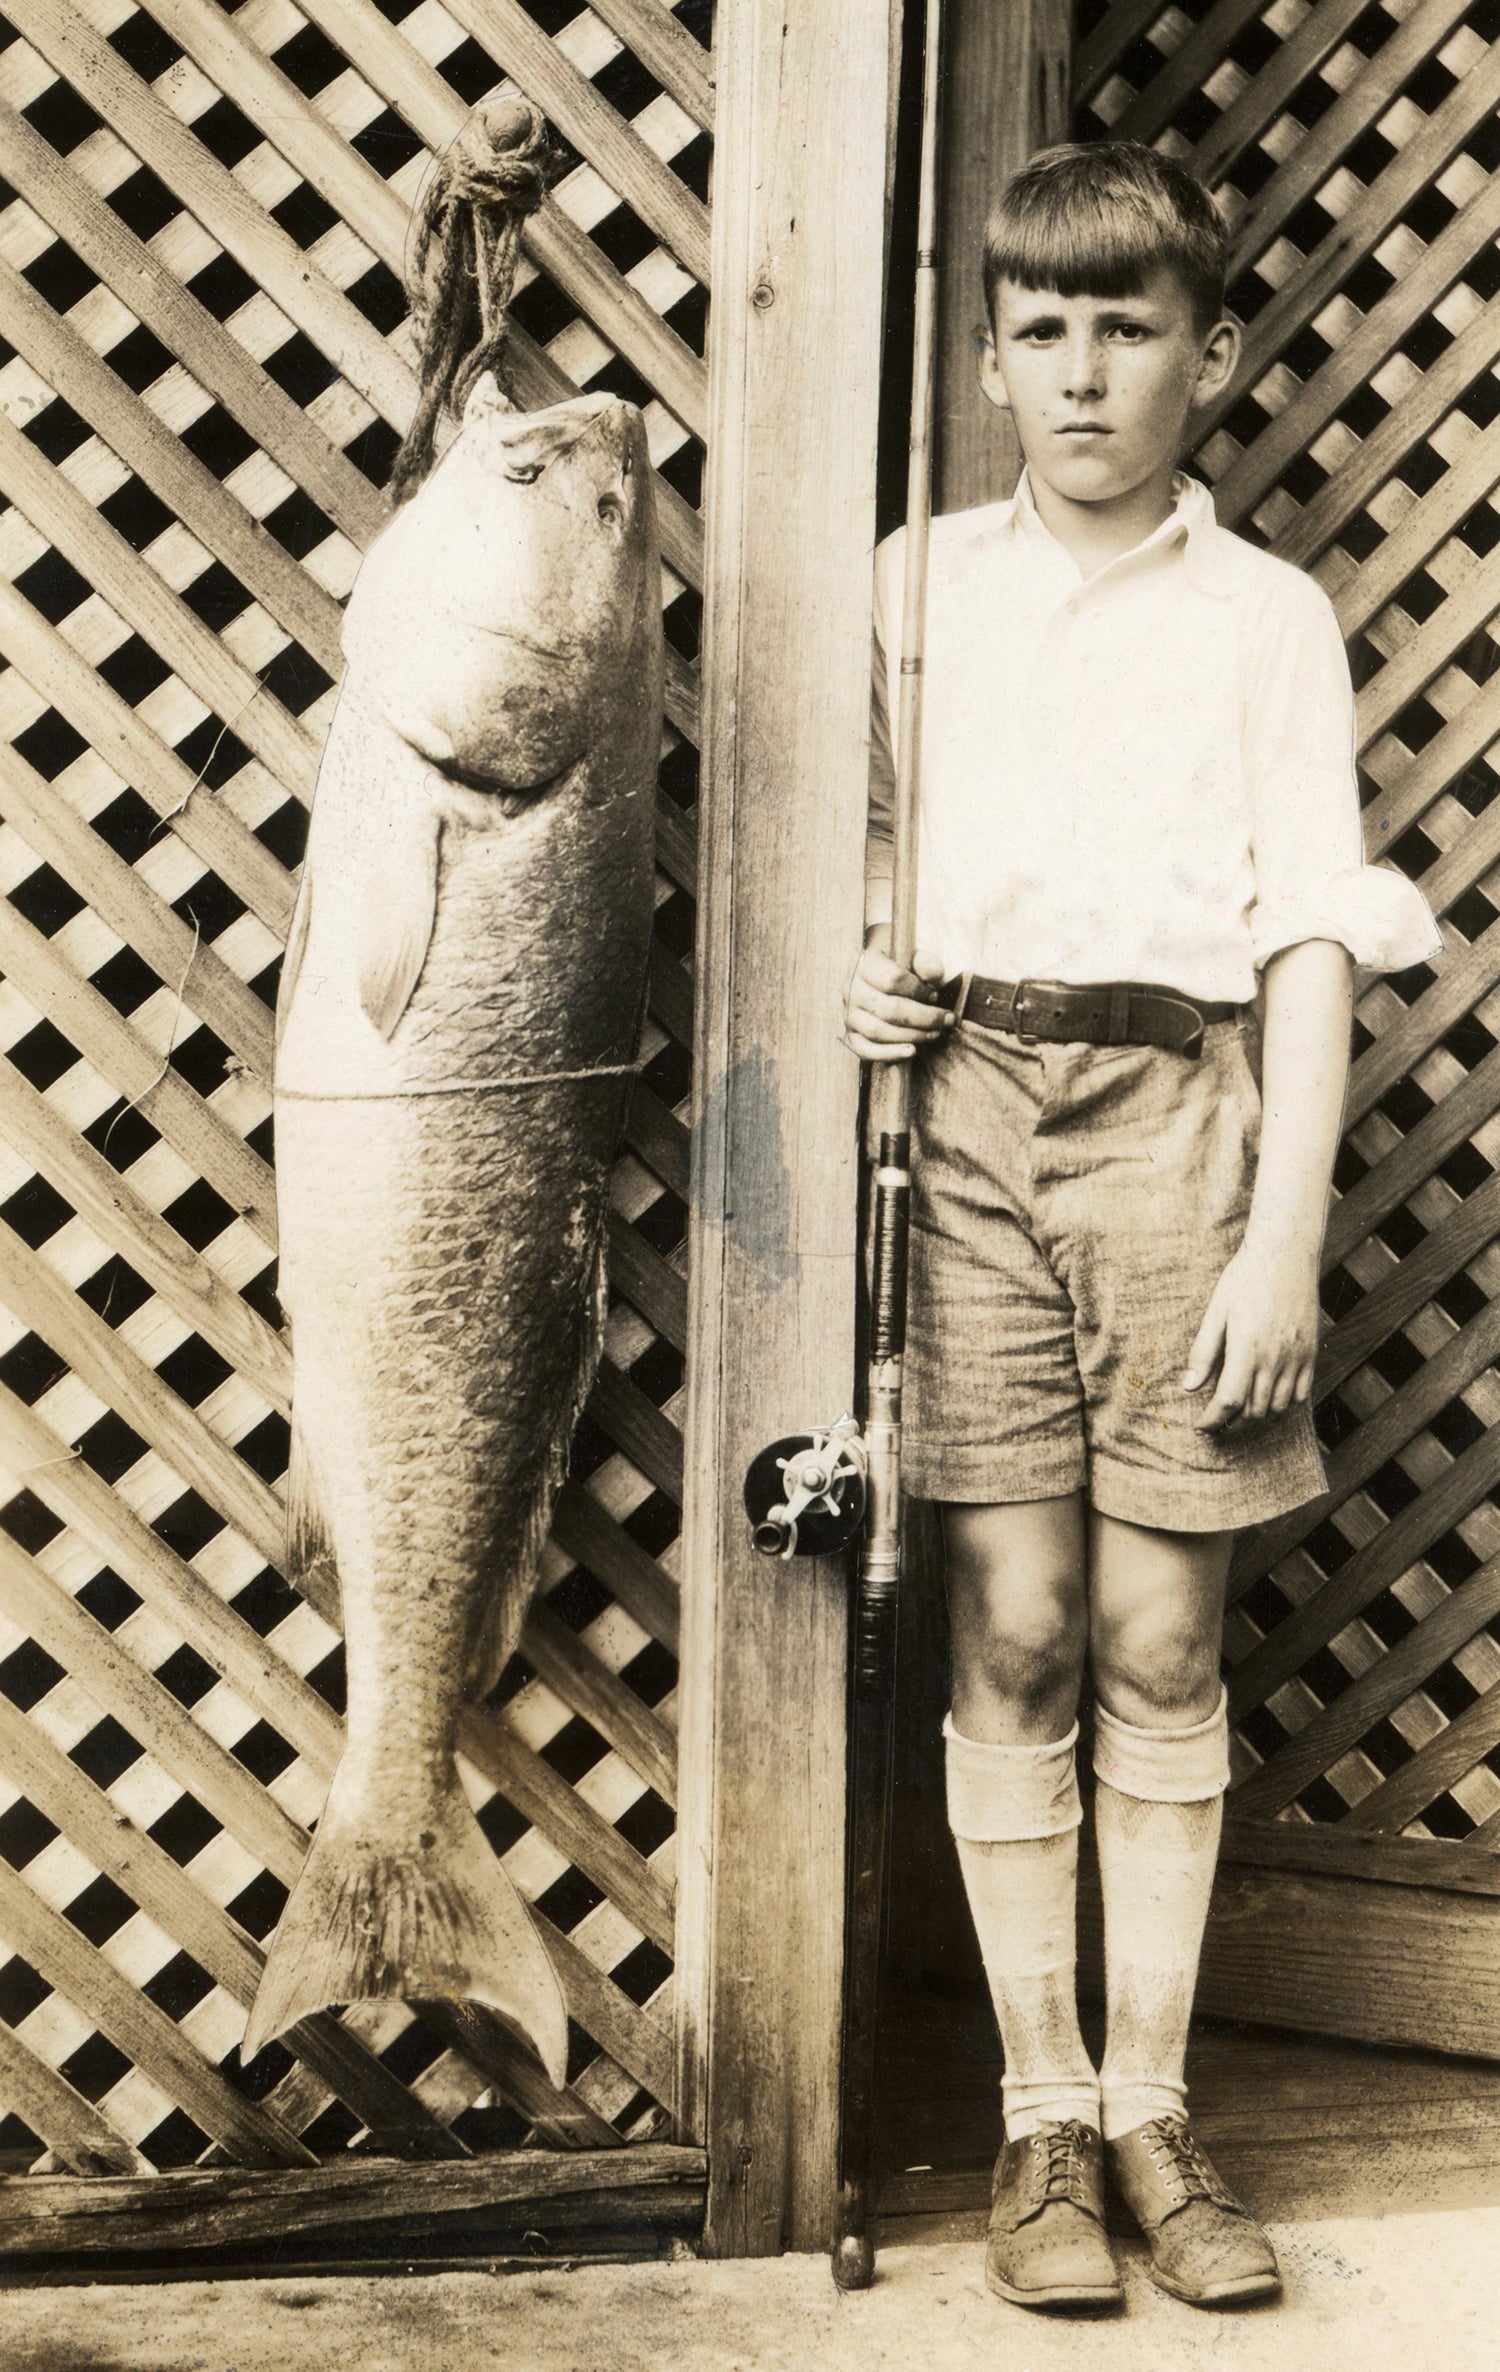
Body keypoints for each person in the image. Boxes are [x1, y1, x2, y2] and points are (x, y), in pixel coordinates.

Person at [845, 140, 1440, 2316]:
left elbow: (1305, 937)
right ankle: (1035, 2122)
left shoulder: (1263, 620)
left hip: (1184, 1120)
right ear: (994, 352)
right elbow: (864, 855)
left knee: (1160, 1634)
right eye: (1044, 330)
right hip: (974, 1117)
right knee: (1006, 1623)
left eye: (1128, 329)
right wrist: (861, 968)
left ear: (1211, 350)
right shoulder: (917, 587)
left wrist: (1286, 1235)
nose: (1082, 374)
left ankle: (1154, 2107)